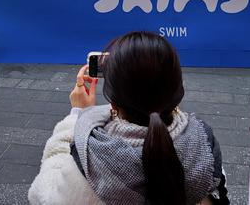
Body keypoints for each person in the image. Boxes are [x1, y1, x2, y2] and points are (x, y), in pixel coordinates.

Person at [28, 32, 227, 205]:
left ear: (113, 103)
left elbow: (42, 195)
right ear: (177, 91)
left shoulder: (89, 163)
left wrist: (78, 116)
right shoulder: (203, 147)